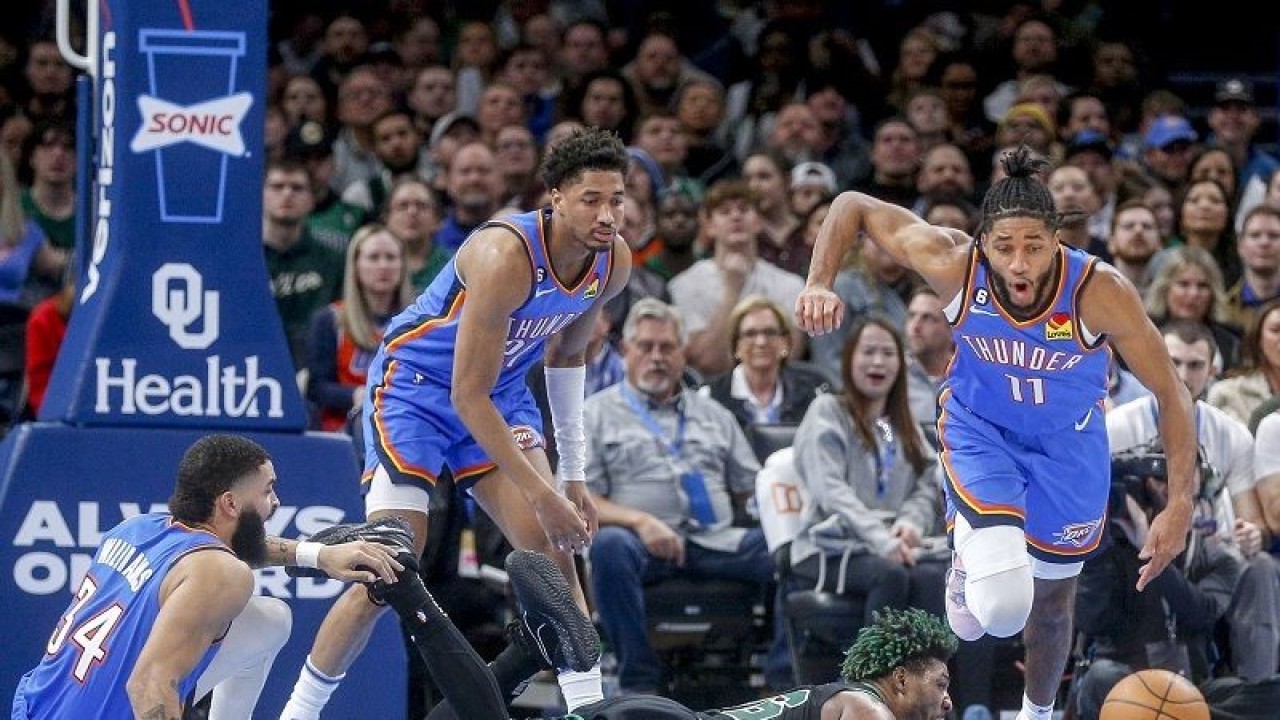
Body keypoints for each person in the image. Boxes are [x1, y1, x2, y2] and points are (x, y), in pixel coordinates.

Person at [795, 145, 1199, 720]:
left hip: (1069, 446)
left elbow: (1171, 392)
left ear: (1057, 240)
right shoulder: (954, 262)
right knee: (1004, 609)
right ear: (982, 242)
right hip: (981, 430)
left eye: (1034, 246)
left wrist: (1180, 502)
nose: (1019, 263)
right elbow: (852, 203)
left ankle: (1037, 715)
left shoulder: (1099, 290)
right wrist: (819, 281)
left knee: (1054, 605)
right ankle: (966, 553)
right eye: (1005, 246)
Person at [279, 127, 632, 719]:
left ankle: (587, 710)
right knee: (388, 562)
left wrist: (570, 477)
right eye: (592, 199)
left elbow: (567, 360)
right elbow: (466, 395)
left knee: (553, 548)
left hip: (499, 391)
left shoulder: (611, 262)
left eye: (617, 198)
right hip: (417, 390)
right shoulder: (504, 255)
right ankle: (300, 711)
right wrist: (541, 491)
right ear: (555, 198)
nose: (607, 213)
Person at [11, 434, 402, 719]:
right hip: (112, 707)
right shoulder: (223, 573)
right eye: (267, 490)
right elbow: (148, 686)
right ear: (230, 503)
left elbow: (245, 549)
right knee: (260, 623)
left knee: (270, 618)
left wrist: (319, 555)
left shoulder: (136, 528)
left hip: (36, 703)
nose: (276, 502)